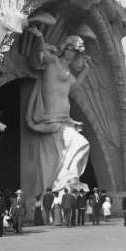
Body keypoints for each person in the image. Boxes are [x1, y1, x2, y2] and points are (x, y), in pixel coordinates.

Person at [24, 28, 93, 193]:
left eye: (74, 51)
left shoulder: (68, 73)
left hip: (64, 120)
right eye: (70, 49)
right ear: (64, 48)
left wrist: (85, 70)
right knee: (79, 144)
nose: (71, 53)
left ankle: (66, 179)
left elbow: (73, 87)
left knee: (60, 156)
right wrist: (40, 38)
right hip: (52, 120)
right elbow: (41, 53)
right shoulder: (53, 62)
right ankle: (64, 180)